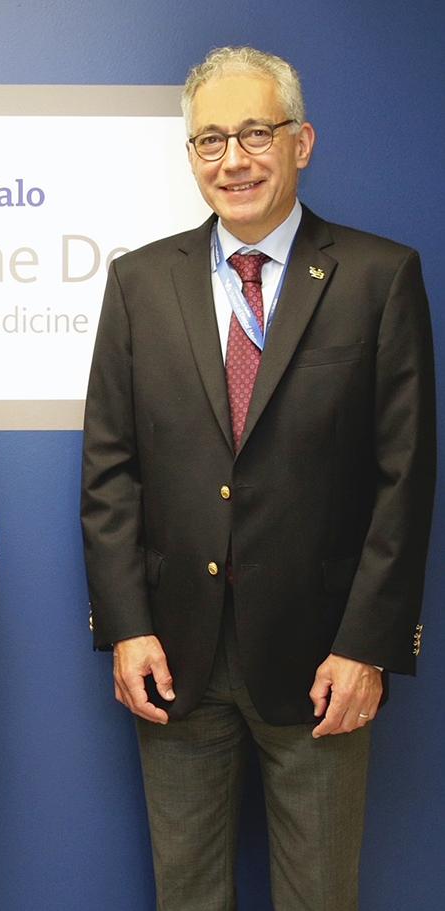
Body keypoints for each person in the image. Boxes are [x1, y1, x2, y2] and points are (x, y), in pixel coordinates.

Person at [81, 46, 435, 909]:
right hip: (176, 658)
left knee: (321, 895)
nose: (232, 160)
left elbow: (405, 476)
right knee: (188, 895)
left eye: (254, 133)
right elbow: (109, 469)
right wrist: (127, 626)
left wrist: (367, 644)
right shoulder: (138, 282)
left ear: (302, 141)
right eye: (209, 140)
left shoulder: (380, 277)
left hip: (324, 660)